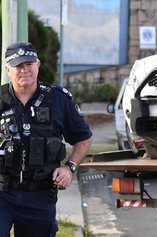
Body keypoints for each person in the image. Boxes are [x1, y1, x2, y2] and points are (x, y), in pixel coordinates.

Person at [0, 42, 92, 237]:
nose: (24, 70)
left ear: (38, 64)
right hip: (2, 192)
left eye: (29, 64)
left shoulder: (58, 99)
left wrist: (70, 168)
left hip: (40, 195)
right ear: (8, 69)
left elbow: (83, 139)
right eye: (18, 66)